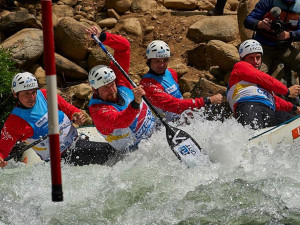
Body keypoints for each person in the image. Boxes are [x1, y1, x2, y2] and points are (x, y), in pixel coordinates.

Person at [0, 72, 117, 168]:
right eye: (26, 94)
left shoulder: (45, 95)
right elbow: (2, 150)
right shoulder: (14, 123)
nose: (31, 98)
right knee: (113, 154)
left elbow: (70, 109)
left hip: (78, 144)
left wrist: (77, 115)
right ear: (15, 94)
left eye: (33, 92)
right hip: (60, 162)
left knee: (114, 152)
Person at [86, 26, 156, 152]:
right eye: (106, 88)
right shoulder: (98, 110)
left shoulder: (119, 80)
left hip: (157, 134)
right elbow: (120, 121)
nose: (112, 90)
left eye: (112, 84)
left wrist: (102, 36)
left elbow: (124, 47)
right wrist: (135, 102)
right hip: (137, 154)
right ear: (94, 90)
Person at [139, 40, 223, 123]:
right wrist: (207, 100)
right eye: (157, 61)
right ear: (149, 61)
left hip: (180, 119)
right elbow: (176, 105)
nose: (161, 65)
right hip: (163, 127)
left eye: (165, 60)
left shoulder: (171, 73)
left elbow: (179, 100)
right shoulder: (148, 85)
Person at [226, 39, 300, 129]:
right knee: (253, 134)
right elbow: (263, 78)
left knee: (293, 122)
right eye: (251, 58)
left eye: (258, 57)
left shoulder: (258, 85)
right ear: (243, 59)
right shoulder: (239, 66)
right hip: (248, 107)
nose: (256, 62)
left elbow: (274, 99)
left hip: (268, 109)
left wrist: (294, 108)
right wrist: (287, 91)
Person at [244, 0, 300, 76]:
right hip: (263, 48)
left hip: (285, 48)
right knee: (257, 76)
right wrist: (260, 24)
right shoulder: (268, 2)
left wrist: (290, 35)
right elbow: (247, 21)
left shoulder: (298, 6)